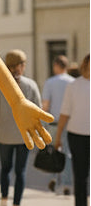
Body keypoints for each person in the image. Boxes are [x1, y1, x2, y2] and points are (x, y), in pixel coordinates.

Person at [0, 50, 43, 206]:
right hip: (24, 136)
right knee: (21, 171)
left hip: (4, 135)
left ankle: (3, 204)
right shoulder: (31, 85)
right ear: (21, 66)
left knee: (5, 169)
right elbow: (38, 111)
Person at [54, 54, 90, 206]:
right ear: (84, 65)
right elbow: (65, 113)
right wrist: (58, 136)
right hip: (77, 135)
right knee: (80, 177)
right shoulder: (73, 86)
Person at [42, 55, 74, 194]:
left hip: (54, 122)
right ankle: (67, 184)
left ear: (56, 66)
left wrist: (43, 124)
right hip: (70, 122)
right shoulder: (73, 82)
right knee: (67, 153)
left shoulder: (50, 82)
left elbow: (45, 105)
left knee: (53, 151)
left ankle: (54, 178)